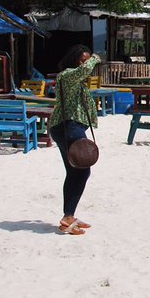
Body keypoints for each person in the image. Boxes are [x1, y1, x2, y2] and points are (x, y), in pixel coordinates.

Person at [50, 44, 100, 235]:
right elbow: (86, 69)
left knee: (74, 172)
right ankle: (68, 216)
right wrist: (96, 57)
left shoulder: (73, 79)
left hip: (68, 127)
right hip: (69, 127)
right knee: (81, 171)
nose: (85, 65)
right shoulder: (68, 75)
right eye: (82, 60)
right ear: (74, 61)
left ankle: (69, 215)